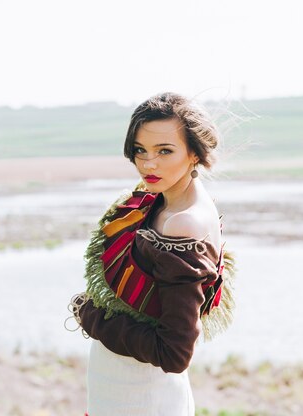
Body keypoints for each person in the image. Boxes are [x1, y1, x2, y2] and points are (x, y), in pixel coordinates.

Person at [68, 92, 236, 415]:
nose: (148, 163)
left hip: (143, 400)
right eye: (140, 150)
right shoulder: (165, 198)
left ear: (194, 153)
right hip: (124, 393)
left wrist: (93, 318)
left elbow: (173, 351)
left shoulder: (184, 222)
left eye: (165, 151)